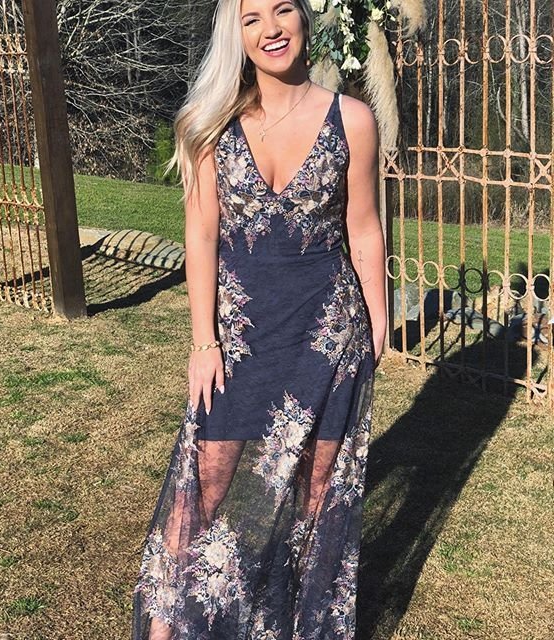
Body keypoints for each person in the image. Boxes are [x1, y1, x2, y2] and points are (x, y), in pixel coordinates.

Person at [132, 0, 386, 637]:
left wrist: (377, 326)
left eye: (282, 10)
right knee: (204, 485)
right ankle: (167, 629)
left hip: (328, 338)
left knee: (316, 495)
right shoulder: (211, 125)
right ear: (236, 34)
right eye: (252, 18)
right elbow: (201, 236)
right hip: (240, 344)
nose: (271, 29)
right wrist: (203, 343)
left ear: (304, 18)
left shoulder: (352, 119)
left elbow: (363, 228)